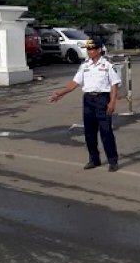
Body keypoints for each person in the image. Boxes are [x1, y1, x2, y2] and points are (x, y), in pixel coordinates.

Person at [50, 39, 122, 172]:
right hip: (88, 100)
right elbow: (74, 83)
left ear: (99, 50)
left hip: (102, 99)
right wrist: (60, 94)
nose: (89, 52)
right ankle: (94, 159)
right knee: (89, 132)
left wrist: (112, 102)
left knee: (106, 131)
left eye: (92, 49)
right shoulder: (85, 66)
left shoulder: (107, 65)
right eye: (88, 49)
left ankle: (113, 160)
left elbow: (114, 84)